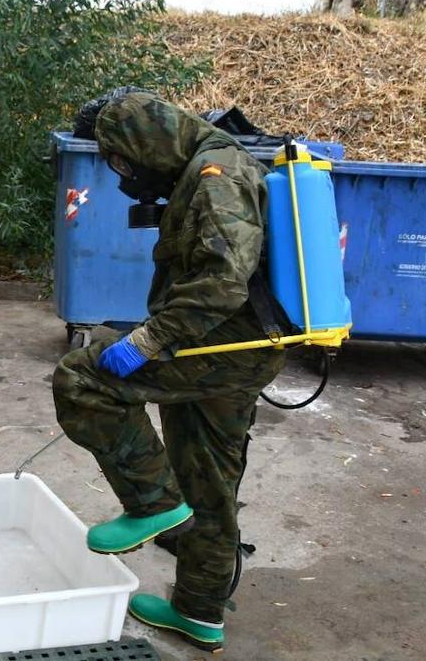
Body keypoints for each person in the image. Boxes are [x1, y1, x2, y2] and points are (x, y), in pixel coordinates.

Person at [52, 89, 286, 651]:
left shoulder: (215, 176)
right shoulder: (205, 165)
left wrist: (150, 339)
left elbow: (222, 282)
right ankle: (199, 611)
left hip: (223, 347)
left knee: (82, 379)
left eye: (121, 159)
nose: (123, 173)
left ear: (144, 143)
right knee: (209, 477)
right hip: (236, 348)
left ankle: (151, 504)